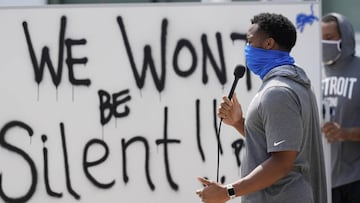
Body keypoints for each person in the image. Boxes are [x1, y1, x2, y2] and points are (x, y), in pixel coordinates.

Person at [195, 13, 327, 203]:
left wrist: (227, 192)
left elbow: (282, 162)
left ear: (268, 44)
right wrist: (239, 123)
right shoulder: (296, 83)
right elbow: (280, 145)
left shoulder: (278, 92)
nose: (246, 48)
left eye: (249, 41)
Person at [321, 13, 360, 203]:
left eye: (329, 38)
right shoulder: (314, 72)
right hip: (324, 179)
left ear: (344, 38)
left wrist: (345, 133)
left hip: (355, 178)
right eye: (320, 38)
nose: (323, 43)